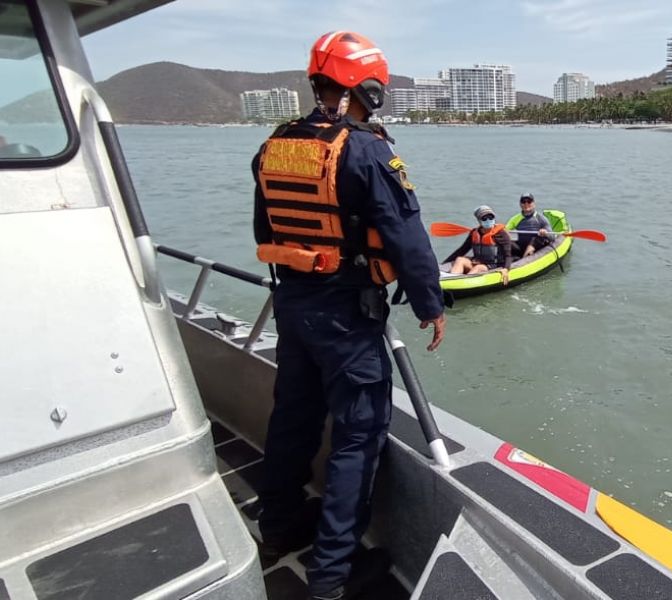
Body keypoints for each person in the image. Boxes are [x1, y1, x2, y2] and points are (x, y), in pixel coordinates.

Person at [251, 31, 446, 600]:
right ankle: (331, 576)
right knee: (358, 436)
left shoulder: (274, 144)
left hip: (292, 302)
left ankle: (277, 530)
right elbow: (406, 235)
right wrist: (430, 303)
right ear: (368, 88)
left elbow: (266, 229)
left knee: (293, 419)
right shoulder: (366, 148)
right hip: (346, 314)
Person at [444, 205, 512, 285]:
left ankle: (462, 284)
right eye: (484, 218)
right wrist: (444, 263)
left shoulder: (501, 234)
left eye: (491, 217)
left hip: (493, 265)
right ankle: (451, 280)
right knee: (460, 259)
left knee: (478, 268)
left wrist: (506, 269)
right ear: (479, 220)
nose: (488, 220)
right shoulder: (474, 233)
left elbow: (508, 255)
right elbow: (462, 250)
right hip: (477, 261)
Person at [509, 193, 556, 258]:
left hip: (536, 247)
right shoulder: (515, 219)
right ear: (520, 204)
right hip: (521, 247)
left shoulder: (541, 218)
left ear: (534, 204)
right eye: (523, 202)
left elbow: (552, 237)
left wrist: (545, 233)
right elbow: (505, 230)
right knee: (505, 240)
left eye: (529, 201)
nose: (526, 204)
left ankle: (526, 257)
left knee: (537, 238)